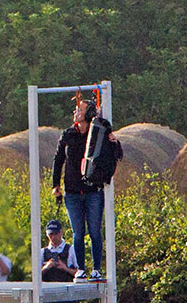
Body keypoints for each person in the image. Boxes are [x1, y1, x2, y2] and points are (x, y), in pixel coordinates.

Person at [52, 97, 122, 281]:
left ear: (89, 115)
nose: (76, 113)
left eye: (80, 110)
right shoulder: (68, 134)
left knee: (94, 230)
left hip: (92, 191)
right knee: (78, 232)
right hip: (72, 192)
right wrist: (55, 185)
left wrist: (115, 142)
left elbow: (116, 155)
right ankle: (81, 269)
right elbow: (58, 160)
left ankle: (96, 269)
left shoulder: (99, 133)